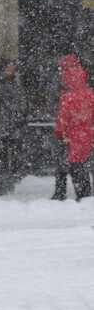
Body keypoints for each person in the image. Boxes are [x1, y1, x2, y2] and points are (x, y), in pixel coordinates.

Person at [51, 54, 94, 201]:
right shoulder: (89, 94)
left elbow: (61, 121)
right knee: (81, 165)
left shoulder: (66, 97)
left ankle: (67, 194)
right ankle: (86, 194)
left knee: (70, 166)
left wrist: (58, 133)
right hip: (86, 135)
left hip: (70, 136)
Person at [0, 55, 28, 196]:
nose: (11, 70)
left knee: (16, 157)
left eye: (13, 67)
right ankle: (4, 182)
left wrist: (21, 118)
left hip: (14, 126)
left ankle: (10, 181)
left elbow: (22, 103)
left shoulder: (17, 83)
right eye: (8, 67)